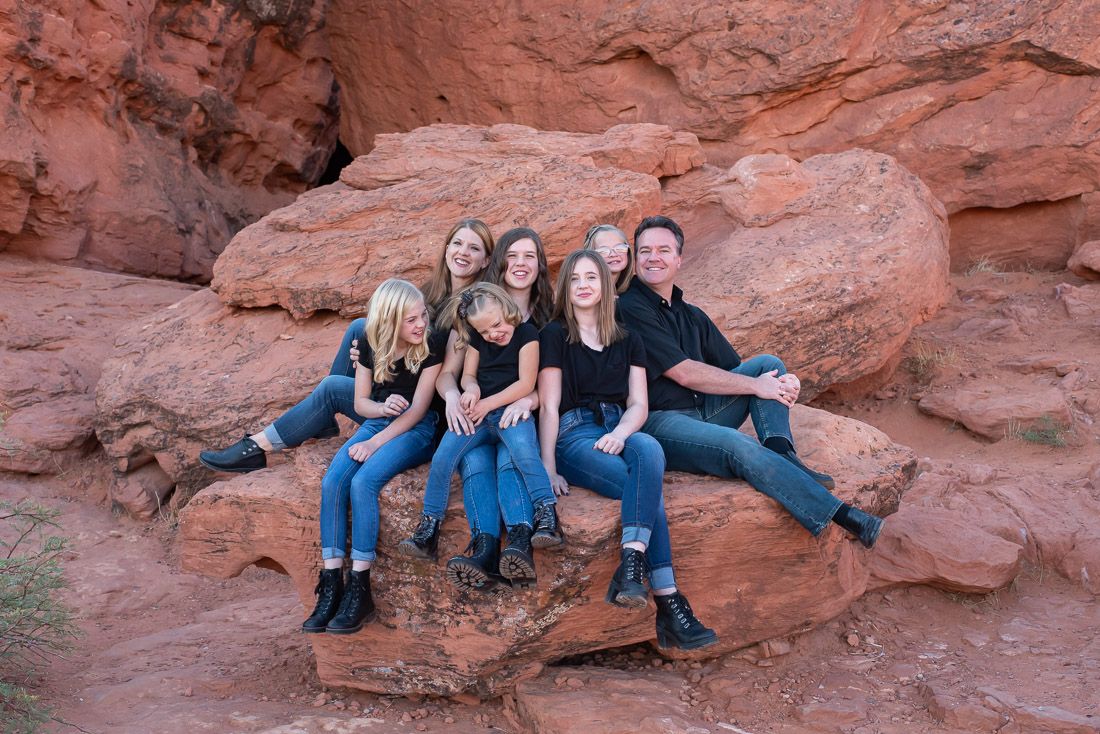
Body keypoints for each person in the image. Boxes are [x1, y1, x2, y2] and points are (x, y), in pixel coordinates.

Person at [617, 215, 885, 548]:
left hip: (704, 411)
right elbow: (683, 372)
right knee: (737, 444)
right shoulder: (629, 306)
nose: (653, 257)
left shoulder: (690, 314)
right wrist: (757, 387)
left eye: (663, 250)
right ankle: (845, 516)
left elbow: (736, 369)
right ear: (635, 258)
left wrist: (784, 383)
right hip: (659, 422)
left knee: (768, 365)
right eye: (645, 251)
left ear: (679, 259)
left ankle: (781, 453)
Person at [198, 218, 494, 472]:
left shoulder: (475, 305)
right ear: (446, 249)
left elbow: (438, 360)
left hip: (421, 401)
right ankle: (327, 415)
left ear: (486, 260)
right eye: (457, 243)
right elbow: (398, 338)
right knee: (360, 328)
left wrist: (377, 357)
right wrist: (371, 353)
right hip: (397, 384)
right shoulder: (429, 293)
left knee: (331, 386)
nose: (462, 252)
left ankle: (258, 446)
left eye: (474, 248)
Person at [539, 249, 718, 650]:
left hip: (618, 424)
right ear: (565, 288)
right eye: (574, 279)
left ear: (605, 285)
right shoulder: (554, 334)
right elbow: (549, 407)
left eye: (591, 278)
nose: (583, 285)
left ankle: (632, 561)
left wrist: (621, 433)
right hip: (575, 432)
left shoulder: (628, 338)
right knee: (642, 489)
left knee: (649, 448)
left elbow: (639, 404)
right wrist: (548, 467)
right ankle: (670, 601)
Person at [301, 279, 446, 634]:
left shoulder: (433, 343)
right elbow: (360, 402)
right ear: (389, 321)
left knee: (363, 482)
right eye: (410, 320)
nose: (421, 324)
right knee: (334, 481)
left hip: (418, 428)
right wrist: (381, 407)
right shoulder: (370, 341)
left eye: (422, 315)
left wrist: (374, 442)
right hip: (382, 418)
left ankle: (359, 585)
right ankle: (331, 581)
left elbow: (417, 412)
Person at [398, 284, 558, 589]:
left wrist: (488, 403)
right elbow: (468, 375)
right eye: (485, 331)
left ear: (506, 309)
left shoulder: (527, 334)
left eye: (496, 325)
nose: (493, 334)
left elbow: (526, 383)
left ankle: (546, 513)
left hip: (509, 411)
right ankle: (428, 527)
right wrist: (469, 390)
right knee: (445, 455)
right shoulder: (475, 339)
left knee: (523, 449)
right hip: (479, 416)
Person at [442, 227, 558, 592]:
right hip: (476, 414)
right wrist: (453, 397)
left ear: (540, 265)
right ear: (499, 261)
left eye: (530, 256)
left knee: (510, 460)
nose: (521, 264)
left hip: (518, 415)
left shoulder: (548, 319)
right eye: (513, 255)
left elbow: (551, 386)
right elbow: (451, 372)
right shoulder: (477, 310)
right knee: (475, 463)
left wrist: (527, 400)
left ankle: (520, 547)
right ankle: (485, 551)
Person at [583, 223, 634, 294]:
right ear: (591, 256)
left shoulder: (635, 287)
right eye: (603, 251)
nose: (613, 254)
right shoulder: (587, 292)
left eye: (619, 248)